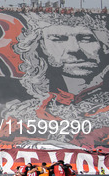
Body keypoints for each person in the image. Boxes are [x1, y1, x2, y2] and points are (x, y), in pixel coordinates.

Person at [8, 13, 109, 148]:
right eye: (58, 39)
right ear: (42, 46)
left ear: (104, 45)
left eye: (85, 39)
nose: (74, 49)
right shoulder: (25, 112)